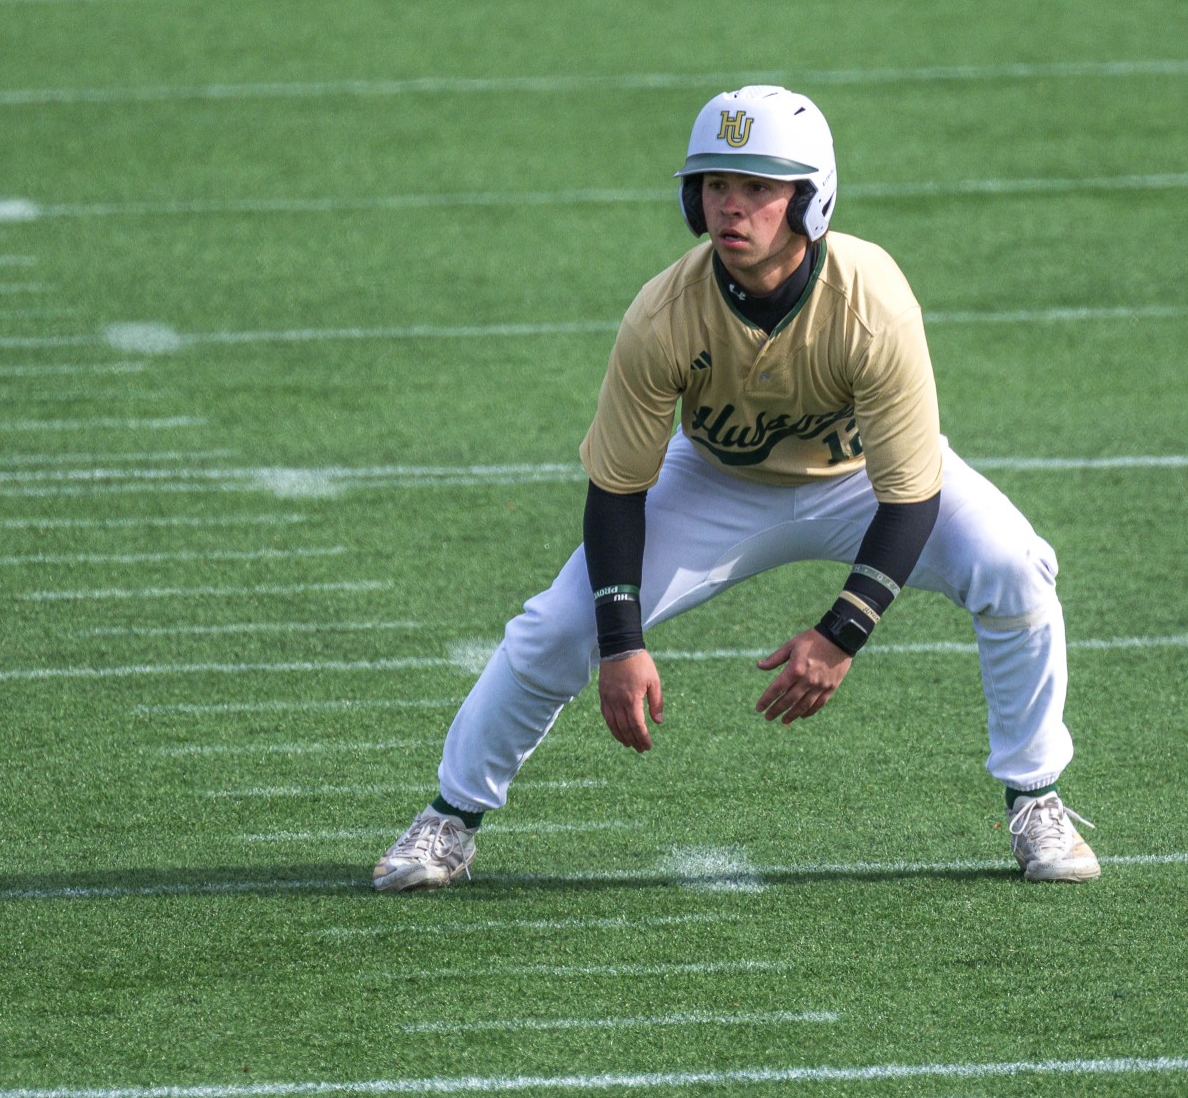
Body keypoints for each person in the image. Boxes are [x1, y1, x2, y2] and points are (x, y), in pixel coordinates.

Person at [373, 85, 1096, 891]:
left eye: (759, 187)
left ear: (810, 200)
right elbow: (616, 486)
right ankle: (449, 817)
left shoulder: (873, 298)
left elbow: (911, 495)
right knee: (555, 627)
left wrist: (840, 633)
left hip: (862, 483)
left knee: (1016, 565)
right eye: (717, 184)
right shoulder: (663, 313)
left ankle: (1036, 795)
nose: (733, 206)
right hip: (717, 483)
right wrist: (621, 641)